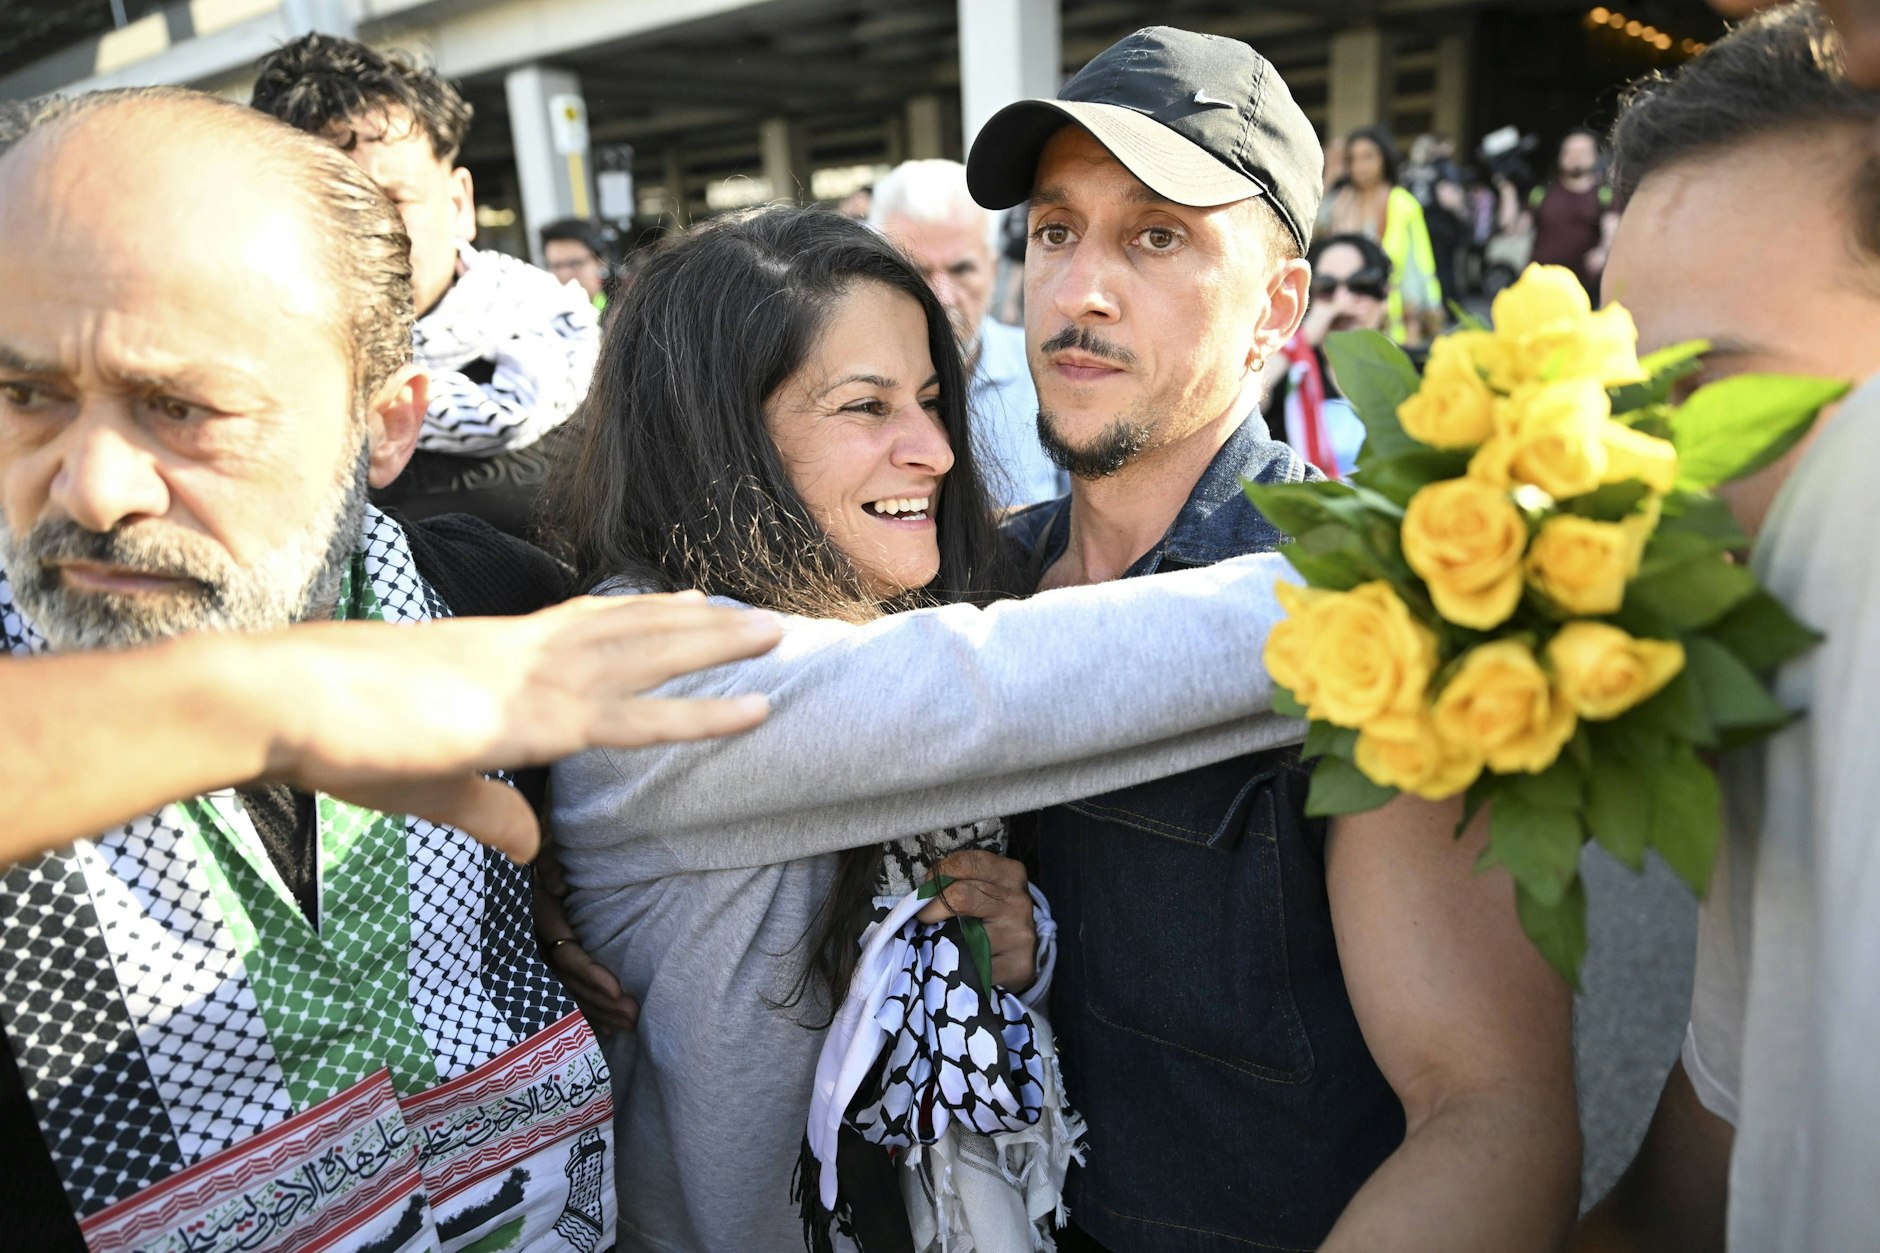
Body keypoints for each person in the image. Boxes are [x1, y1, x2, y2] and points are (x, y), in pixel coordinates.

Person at [0, 85, 759, 1251]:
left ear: (386, 425)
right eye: (24, 396)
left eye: (184, 408)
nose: (92, 486)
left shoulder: (492, 611)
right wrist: (268, 701)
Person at [541, 204, 1321, 1251]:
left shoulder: (860, 614)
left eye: (927, 398)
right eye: (865, 407)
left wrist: (1019, 940)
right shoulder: (647, 668)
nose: (934, 450)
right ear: (717, 431)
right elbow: (998, 690)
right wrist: (1413, 569)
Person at [966, 26, 1579, 1251]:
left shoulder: (1365, 611)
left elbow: (1495, 1112)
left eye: (1156, 237)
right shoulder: (974, 582)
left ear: (1277, 309)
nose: (1080, 288)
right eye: (1053, 230)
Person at [1567, 6, 1880, 1250]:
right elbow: (1683, 1204)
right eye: (1616, 403)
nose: (1625, 482)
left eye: (1703, 389)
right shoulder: (1780, 752)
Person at [252, 34, 601, 541]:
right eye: (324, 204)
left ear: (459, 202)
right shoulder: (235, 389)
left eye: (391, 199)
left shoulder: (583, 363)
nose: (360, 229)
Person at [869, 159, 1065, 508]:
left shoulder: (1054, 372)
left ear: (992, 270)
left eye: (961, 269)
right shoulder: (839, 388)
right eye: (915, 272)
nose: (941, 295)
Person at [1261, 232, 1392, 478]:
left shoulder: (1408, 371)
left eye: (1361, 286)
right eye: (1327, 289)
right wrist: (1305, 335)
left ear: (1384, 295)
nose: (1343, 302)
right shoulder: (1291, 374)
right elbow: (1243, 403)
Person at [1322, 124, 1445, 345]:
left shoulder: (1402, 203)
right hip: (1342, 321)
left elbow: (1417, 267)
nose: (1361, 166)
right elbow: (1313, 234)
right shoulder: (1342, 200)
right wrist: (1330, 174)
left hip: (1392, 326)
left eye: (1368, 157)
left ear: (1385, 158)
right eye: (1354, 158)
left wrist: (1414, 324)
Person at [1527, 129, 1621, 301]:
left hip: (1584, 286)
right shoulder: (1542, 192)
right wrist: (1507, 188)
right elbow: (1515, 229)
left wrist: (1602, 252)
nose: (1575, 157)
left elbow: (1612, 232)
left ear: (1595, 156)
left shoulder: (1604, 195)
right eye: (1569, 151)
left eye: (1583, 152)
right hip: (1541, 284)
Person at [541, 216, 614, 312]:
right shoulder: (541, 316)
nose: (564, 274)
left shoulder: (622, 310)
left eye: (574, 264)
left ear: (600, 262)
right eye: (555, 266)